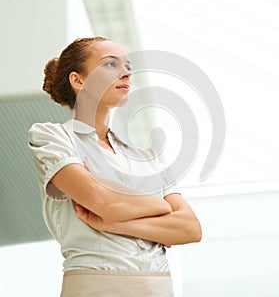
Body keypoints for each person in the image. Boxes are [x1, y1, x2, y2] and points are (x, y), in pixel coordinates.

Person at [28, 36, 201, 297]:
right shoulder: (53, 138)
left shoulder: (147, 157)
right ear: (78, 80)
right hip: (94, 285)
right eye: (111, 64)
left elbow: (190, 228)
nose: (126, 74)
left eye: (128, 66)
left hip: (157, 287)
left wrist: (115, 225)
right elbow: (103, 202)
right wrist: (161, 205)